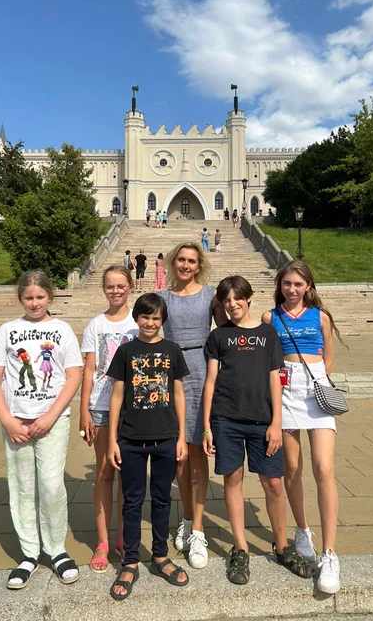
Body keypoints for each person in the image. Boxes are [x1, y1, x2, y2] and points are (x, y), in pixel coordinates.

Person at [202, 276, 315, 585]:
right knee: (233, 478)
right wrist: (207, 427)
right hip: (226, 418)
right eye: (227, 300)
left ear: (249, 298)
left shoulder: (268, 333)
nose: (232, 304)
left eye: (237, 298)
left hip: (263, 420)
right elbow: (211, 381)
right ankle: (240, 548)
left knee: (273, 483)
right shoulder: (218, 336)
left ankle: (281, 545)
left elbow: (275, 378)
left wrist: (277, 422)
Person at [0, 270, 83, 589]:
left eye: (40, 297)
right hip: (17, 422)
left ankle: (57, 550)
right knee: (23, 487)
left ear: (50, 296)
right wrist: (7, 420)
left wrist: (51, 416)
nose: (35, 303)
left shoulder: (62, 330)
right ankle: (29, 553)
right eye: (28, 298)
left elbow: (74, 376)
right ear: (20, 299)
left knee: (51, 485)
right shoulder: (7, 330)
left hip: (52, 421)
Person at [262, 260, 343, 595]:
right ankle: (302, 530)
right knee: (292, 467)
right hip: (285, 392)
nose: (292, 289)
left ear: (308, 286)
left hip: (315, 390)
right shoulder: (270, 318)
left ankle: (330, 553)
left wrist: (317, 381)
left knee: (323, 468)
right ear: (280, 286)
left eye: (298, 284)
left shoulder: (321, 316)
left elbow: (329, 357)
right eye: (287, 284)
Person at [106, 294, 189, 600]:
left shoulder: (172, 350)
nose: (150, 323)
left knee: (162, 498)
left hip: (166, 437)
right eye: (145, 317)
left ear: (163, 320)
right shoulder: (126, 351)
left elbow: (178, 394)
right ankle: (130, 560)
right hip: (130, 439)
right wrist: (112, 440)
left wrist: (182, 437)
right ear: (136, 318)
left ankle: (159, 555)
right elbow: (117, 396)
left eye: (156, 318)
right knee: (131, 501)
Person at [158, 242, 226, 569]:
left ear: (199, 266)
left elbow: (227, 330)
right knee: (180, 454)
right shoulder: (162, 297)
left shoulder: (210, 295)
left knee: (198, 451)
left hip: (202, 369)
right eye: (181, 260)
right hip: (172, 372)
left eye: (192, 261)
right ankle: (186, 517)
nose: (186, 265)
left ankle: (198, 528)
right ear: (174, 263)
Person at [80, 265, 138, 573]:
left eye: (120, 286)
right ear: (103, 289)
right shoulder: (96, 324)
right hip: (101, 406)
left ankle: (123, 538)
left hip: (133, 408)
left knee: (127, 475)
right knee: (104, 472)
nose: (115, 291)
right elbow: (89, 369)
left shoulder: (138, 322)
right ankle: (103, 541)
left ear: (131, 287)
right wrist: (83, 410)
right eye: (110, 286)